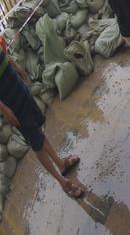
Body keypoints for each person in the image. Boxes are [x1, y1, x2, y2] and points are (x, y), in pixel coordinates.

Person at [0, 39, 84, 198]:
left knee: (38, 130)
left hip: (18, 87)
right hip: (10, 102)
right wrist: (4, 110)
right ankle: (63, 183)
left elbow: (2, 52)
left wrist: (16, 65)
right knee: (36, 143)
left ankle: (61, 163)